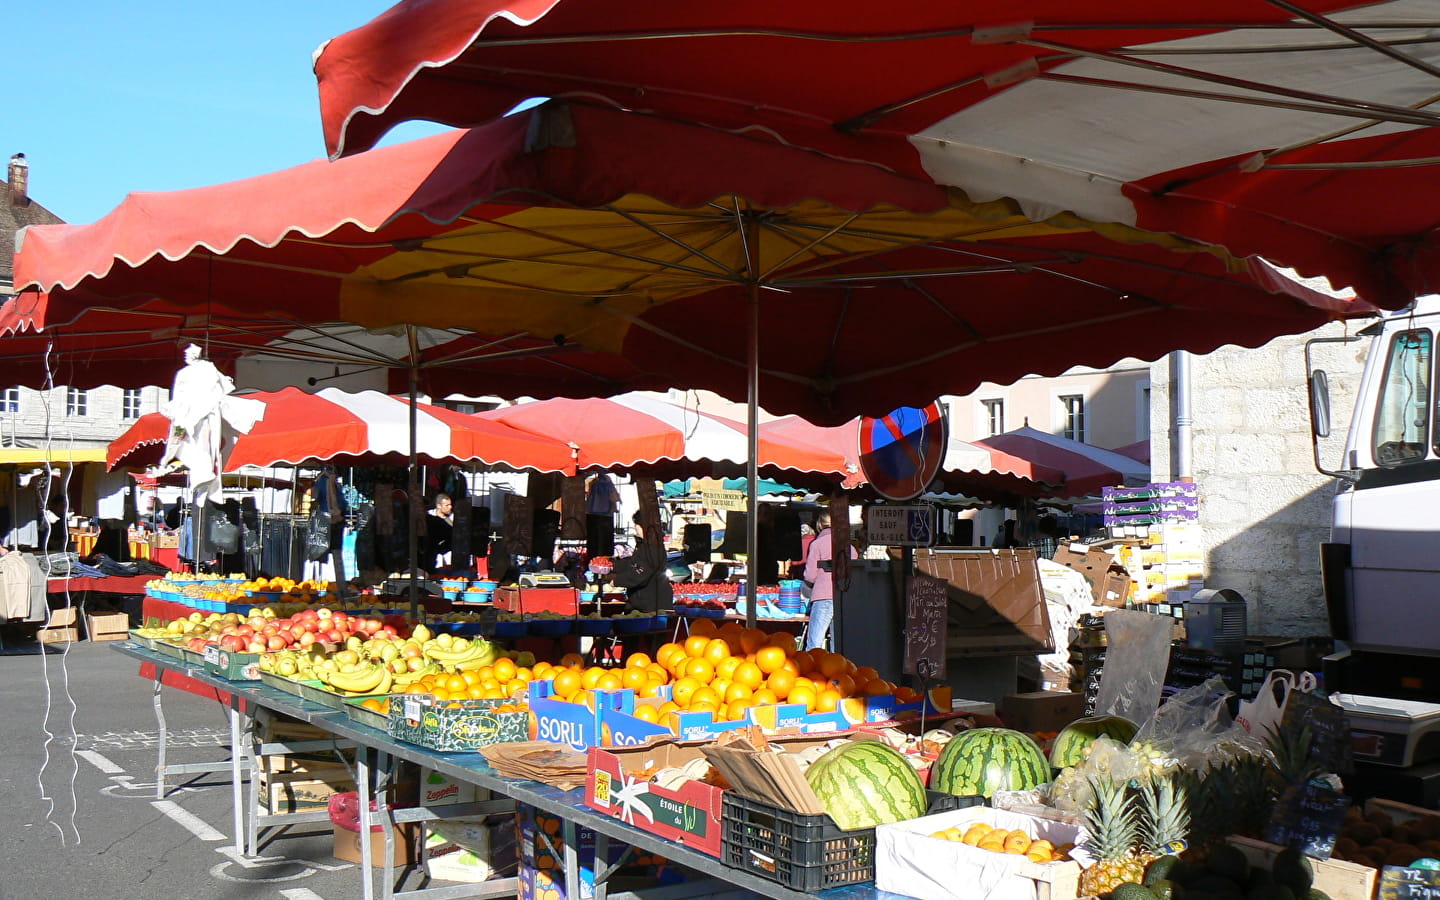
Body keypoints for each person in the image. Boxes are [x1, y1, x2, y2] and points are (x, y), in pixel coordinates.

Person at [802, 510, 857, 651]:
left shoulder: (817, 544)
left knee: (815, 643)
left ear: (820, 525)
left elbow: (810, 575)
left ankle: (811, 672)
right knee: (838, 645)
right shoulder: (848, 546)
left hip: (823, 596)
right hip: (844, 597)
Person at [610, 512, 673, 613]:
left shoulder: (653, 547)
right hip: (644, 602)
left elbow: (641, 572)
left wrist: (617, 580)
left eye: (637, 525)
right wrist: (613, 566)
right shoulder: (646, 545)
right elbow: (633, 563)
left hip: (652, 605)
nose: (635, 528)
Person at [424, 493, 454, 571]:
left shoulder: (452, 519)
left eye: (450, 505)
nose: (450, 507)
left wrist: (441, 549)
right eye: (447, 505)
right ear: (439, 505)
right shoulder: (429, 516)